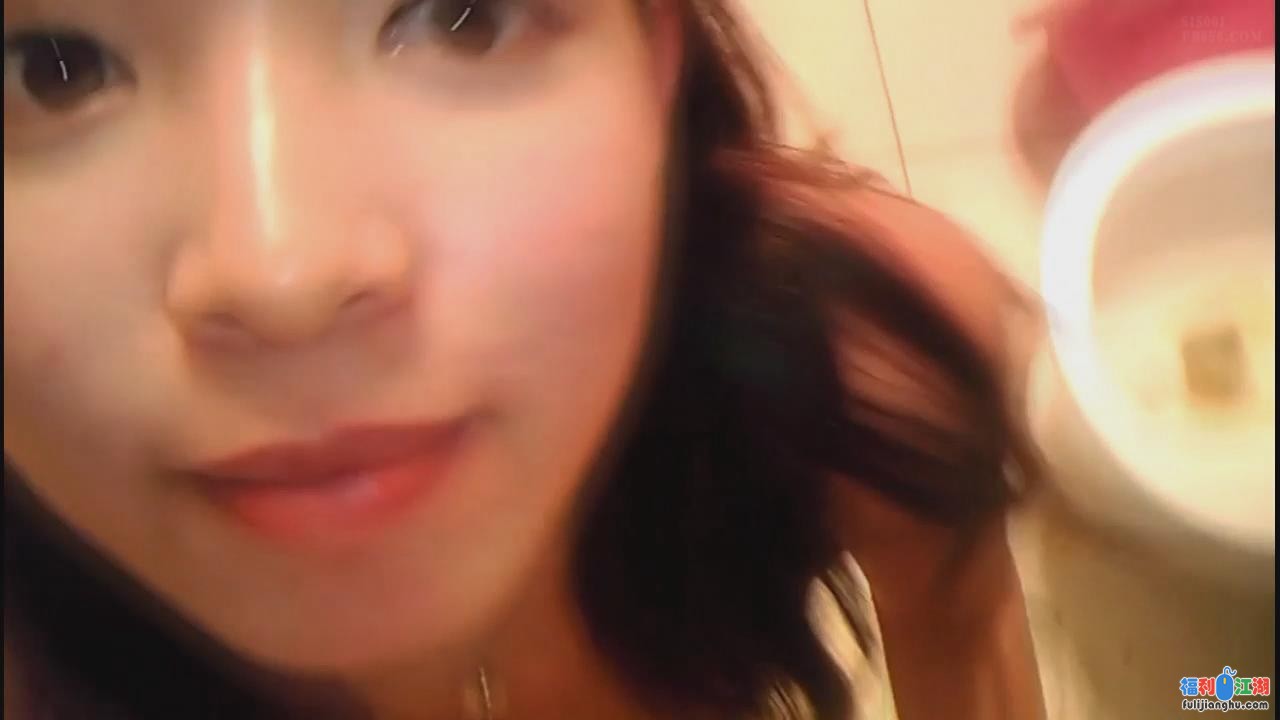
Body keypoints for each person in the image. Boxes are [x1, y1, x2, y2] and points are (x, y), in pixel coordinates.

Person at [3, 1, 1045, 718]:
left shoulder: (859, 354)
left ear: (653, 55)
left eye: (465, 15)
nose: (283, 277)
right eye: (54, 65)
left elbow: (964, 639)